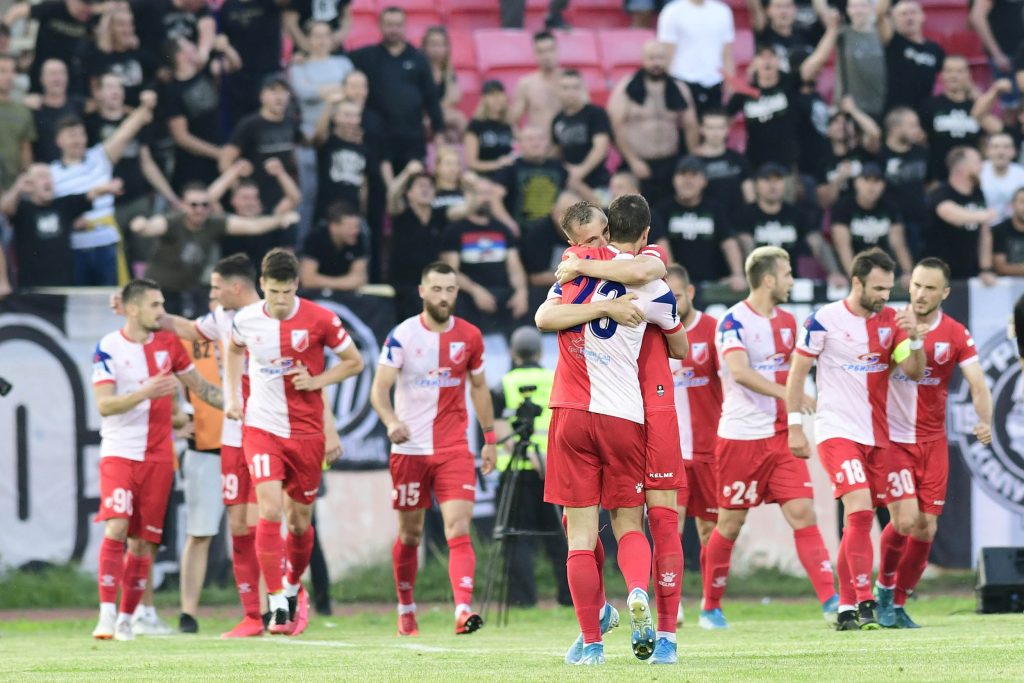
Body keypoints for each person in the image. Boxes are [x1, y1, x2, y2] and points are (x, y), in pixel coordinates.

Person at [540, 194, 688, 666]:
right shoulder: (644, 279)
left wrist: (585, 275)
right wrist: (612, 309)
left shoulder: (571, 272)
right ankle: (639, 594)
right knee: (632, 522)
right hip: (626, 415)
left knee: (579, 534)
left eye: (604, 234)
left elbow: (545, 318)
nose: (600, 243)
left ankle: (594, 644)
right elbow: (680, 344)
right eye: (591, 239)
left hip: (569, 413)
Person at [786, 247, 927, 631]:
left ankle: (847, 605)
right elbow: (797, 373)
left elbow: (914, 371)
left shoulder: (892, 322)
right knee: (861, 511)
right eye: (878, 288)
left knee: (866, 520)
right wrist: (795, 425)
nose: (885, 295)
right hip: (836, 430)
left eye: (888, 288)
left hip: (878, 436)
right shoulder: (823, 320)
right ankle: (865, 601)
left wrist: (914, 340)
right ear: (857, 282)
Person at [224, 249, 363, 635]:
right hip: (261, 428)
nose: (280, 300)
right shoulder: (246, 319)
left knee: (300, 523)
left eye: (287, 291)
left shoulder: (320, 318)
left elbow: (354, 361)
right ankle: (277, 600)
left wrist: (318, 381)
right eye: (273, 292)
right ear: (261, 287)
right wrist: (233, 396)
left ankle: (291, 586)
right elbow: (233, 350)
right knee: (269, 510)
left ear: (296, 286)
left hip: (306, 433)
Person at [700, 246, 837, 630]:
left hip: (779, 437)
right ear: (768, 279)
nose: (793, 280)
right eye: (788, 273)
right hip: (741, 438)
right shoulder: (732, 322)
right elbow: (740, 373)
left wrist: (793, 420)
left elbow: (794, 373)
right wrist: (789, 395)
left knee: (802, 513)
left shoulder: (790, 322)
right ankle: (710, 608)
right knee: (729, 525)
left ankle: (832, 602)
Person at [90, 278, 224, 641]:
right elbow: (104, 405)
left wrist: (242, 406)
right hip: (120, 452)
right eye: (155, 305)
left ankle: (128, 619)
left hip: (160, 457)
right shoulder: (108, 348)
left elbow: (203, 389)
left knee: (144, 542)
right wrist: (145, 392)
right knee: (116, 526)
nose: (161, 312)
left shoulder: (169, 344)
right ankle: (106, 615)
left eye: (163, 303)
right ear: (132, 309)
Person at [369, 261, 497, 636]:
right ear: (423, 291)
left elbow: (479, 388)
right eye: (437, 289)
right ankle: (406, 607)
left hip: (454, 448)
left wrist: (489, 439)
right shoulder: (402, 336)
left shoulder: (471, 336)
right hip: (409, 451)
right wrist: (392, 422)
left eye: (451, 290)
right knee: (410, 534)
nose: (444, 297)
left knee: (458, 527)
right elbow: (379, 390)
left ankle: (462, 609)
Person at [155, 253, 275, 639]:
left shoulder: (273, 317)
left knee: (269, 525)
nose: (211, 293)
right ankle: (253, 616)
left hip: (268, 433)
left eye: (215, 287)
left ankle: (285, 606)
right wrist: (141, 311)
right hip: (223, 439)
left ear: (235, 287)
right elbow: (187, 334)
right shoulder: (221, 321)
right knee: (235, 528)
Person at [876, 258, 992, 629]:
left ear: (944, 293)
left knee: (927, 527)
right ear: (908, 286)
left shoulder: (956, 332)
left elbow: (977, 382)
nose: (921, 294)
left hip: (931, 440)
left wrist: (984, 419)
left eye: (930, 288)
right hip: (893, 439)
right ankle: (882, 589)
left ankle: (897, 602)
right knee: (906, 520)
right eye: (917, 286)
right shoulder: (890, 323)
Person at [130, 181, 299, 316]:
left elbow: (253, 226)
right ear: (183, 205)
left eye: (204, 205)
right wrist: (141, 225)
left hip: (187, 290)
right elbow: (151, 227)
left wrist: (281, 219)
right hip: (158, 292)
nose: (199, 210)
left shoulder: (213, 223)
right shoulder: (173, 222)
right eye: (193, 205)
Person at [490, 326, 571, 608]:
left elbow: (500, 431)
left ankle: (522, 600)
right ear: (540, 352)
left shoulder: (502, 385)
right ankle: (570, 597)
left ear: (513, 354)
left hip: (516, 470)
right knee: (563, 536)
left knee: (517, 539)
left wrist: (525, 452)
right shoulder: (556, 380)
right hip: (553, 471)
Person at [51, 91, 156, 287]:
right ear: (59, 141)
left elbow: (125, 132)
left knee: (112, 301)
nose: (77, 140)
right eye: (71, 136)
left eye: (81, 134)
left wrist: (145, 106)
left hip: (106, 244)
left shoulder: (99, 157)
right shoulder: (51, 172)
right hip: (75, 247)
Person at [664, 265, 721, 626]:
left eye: (678, 296)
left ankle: (711, 605)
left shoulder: (713, 331)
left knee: (709, 531)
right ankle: (674, 604)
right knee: (670, 526)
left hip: (710, 449)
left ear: (692, 293)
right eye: (666, 297)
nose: (672, 303)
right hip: (670, 451)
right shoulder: (654, 333)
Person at [176, 314, 226, 635]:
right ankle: (188, 613)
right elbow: (166, 375)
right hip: (206, 447)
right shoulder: (188, 339)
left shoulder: (257, 332)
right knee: (199, 532)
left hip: (250, 444)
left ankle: (266, 611)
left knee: (257, 529)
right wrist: (178, 418)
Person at [349, 7, 444, 171]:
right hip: (378, 138)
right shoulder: (366, 57)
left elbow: (431, 99)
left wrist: (439, 132)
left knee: (413, 185)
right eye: (389, 25)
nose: (394, 30)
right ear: (380, 26)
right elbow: (336, 61)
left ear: (405, 26)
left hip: (412, 137)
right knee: (380, 189)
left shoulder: (418, 58)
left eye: (398, 25)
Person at [607, 41, 698, 207]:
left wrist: (693, 161)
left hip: (671, 164)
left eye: (661, 58)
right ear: (643, 60)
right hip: (637, 163)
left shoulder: (680, 88)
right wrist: (633, 160)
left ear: (668, 59)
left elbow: (691, 126)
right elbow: (614, 127)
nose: (656, 63)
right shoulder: (626, 88)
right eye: (651, 58)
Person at [0, 164, 119, 288]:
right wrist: (17, 188)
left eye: (49, 176)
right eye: (41, 176)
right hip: (32, 289)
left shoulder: (63, 204)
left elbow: (90, 194)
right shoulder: (21, 208)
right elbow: (4, 209)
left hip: (64, 287)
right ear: (29, 183)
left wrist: (109, 188)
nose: (47, 180)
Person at [440, 181, 530, 335]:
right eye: (480, 194)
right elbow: (450, 272)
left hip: (502, 293)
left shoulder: (503, 230)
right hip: (469, 295)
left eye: (489, 193)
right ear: (468, 198)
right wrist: (475, 291)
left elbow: (515, 268)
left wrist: (521, 292)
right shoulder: (454, 230)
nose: (486, 198)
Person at [735, 163, 845, 285]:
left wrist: (834, 273)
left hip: (789, 282)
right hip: (757, 282)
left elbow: (817, 243)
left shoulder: (796, 214)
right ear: (756, 184)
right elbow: (746, 244)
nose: (773, 185)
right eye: (767, 180)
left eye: (778, 180)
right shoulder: (745, 214)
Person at [651, 155, 744, 290]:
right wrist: (670, 277)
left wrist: (738, 274)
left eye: (694, 175)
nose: (688, 180)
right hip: (676, 286)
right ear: (674, 179)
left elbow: (728, 242)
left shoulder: (716, 209)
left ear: (704, 181)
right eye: (683, 174)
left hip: (712, 284)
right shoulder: (661, 210)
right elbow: (661, 245)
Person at [387, 161, 464, 320]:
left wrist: (471, 189)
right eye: (420, 186)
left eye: (429, 186)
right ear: (408, 193)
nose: (425, 189)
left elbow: (467, 209)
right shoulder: (401, 213)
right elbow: (392, 194)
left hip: (431, 288)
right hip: (403, 286)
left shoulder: (440, 215)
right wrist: (407, 173)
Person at [219, 74, 301, 219]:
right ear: (262, 96)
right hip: (254, 201)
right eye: (273, 91)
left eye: (283, 91)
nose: (279, 96)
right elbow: (225, 160)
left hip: (282, 200)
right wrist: (239, 192)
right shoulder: (249, 124)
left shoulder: (291, 122)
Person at [165, 37, 237, 193]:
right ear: (181, 56)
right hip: (195, 167)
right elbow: (181, 137)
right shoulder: (172, 92)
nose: (195, 47)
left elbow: (235, 64)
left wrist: (226, 48)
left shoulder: (205, 72)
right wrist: (218, 153)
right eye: (190, 46)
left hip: (221, 156)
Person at [919, 57, 1003, 181]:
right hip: (938, 178)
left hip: (971, 178)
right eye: (949, 71)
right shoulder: (929, 105)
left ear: (968, 75)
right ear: (941, 75)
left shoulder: (977, 108)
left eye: (959, 71)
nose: (954, 76)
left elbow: (987, 139)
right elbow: (922, 144)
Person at [830, 163, 913, 286]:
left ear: (883, 185)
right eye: (866, 180)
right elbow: (843, 247)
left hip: (882, 267)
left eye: (876, 181)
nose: (871, 186)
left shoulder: (890, 207)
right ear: (857, 183)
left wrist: (908, 272)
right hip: (849, 270)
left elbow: (898, 243)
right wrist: (856, 278)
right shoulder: (843, 207)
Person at [925, 146, 999, 282]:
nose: (982, 167)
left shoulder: (978, 193)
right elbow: (951, 215)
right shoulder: (941, 192)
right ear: (962, 168)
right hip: (941, 273)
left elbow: (985, 234)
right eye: (977, 162)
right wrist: (984, 215)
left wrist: (986, 269)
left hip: (971, 270)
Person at [656, 0, 735, 117]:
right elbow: (666, 54)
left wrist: (731, 85)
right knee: (687, 130)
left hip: (715, 81)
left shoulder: (723, 11)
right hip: (683, 81)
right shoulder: (672, 11)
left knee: (715, 131)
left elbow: (727, 54)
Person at [219, 0, 284, 126]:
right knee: (243, 123)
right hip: (239, 76)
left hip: (267, 72)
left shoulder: (269, 3)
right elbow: (223, 38)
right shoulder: (227, 7)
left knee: (269, 121)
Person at [551, 70, 612, 204]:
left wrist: (579, 172)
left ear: (582, 89)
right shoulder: (557, 120)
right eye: (565, 88)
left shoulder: (596, 113)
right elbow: (557, 153)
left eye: (575, 87)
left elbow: (601, 149)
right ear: (558, 91)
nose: (570, 92)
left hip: (597, 182)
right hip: (570, 185)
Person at [876, 0, 945, 115]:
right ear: (893, 20)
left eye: (913, 12)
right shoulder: (892, 42)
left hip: (924, 112)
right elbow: (879, 14)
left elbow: (954, 73)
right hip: (896, 112)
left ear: (922, 16)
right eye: (903, 14)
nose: (909, 18)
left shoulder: (934, 49)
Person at [82, 5, 157, 107]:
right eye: (121, 25)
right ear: (110, 28)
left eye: (130, 25)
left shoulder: (138, 52)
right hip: (114, 114)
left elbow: (155, 76)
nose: (127, 30)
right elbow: (96, 94)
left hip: (140, 112)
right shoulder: (98, 56)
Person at [879, 107, 929, 257]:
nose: (917, 130)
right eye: (912, 125)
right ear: (895, 128)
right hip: (890, 223)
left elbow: (930, 183)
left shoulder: (922, 151)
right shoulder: (880, 154)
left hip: (919, 220)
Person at [497, 125, 568, 225]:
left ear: (549, 143)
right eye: (530, 140)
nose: (536, 144)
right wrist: (510, 225)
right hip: (521, 233)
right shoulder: (510, 168)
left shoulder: (559, 168)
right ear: (520, 144)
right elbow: (494, 198)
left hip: (554, 232)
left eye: (541, 139)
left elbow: (571, 197)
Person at [299, 201, 369, 292]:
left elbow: (359, 279)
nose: (355, 231)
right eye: (350, 227)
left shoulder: (359, 239)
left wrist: (320, 280)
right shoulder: (315, 239)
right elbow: (308, 280)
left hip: (347, 295)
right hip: (317, 295)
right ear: (334, 227)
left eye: (357, 227)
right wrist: (347, 283)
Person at [834, 0, 886, 121]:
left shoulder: (881, 34)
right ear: (848, 10)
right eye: (854, 6)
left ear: (871, 9)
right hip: (848, 109)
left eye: (862, 5)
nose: (858, 10)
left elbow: (883, 12)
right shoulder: (842, 33)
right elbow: (823, 13)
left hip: (878, 107)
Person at [696, 109, 754, 212]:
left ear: (728, 129)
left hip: (735, 223)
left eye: (720, 127)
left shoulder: (739, 160)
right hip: (705, 222)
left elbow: (750, 197)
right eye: (710, 128)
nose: (715, 133)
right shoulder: (693, 162)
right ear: (701, 129)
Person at [27, 58, 84, 163]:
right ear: (41, 78)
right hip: (46, 174)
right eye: (52, 74)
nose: (58, 78)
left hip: (76, 171)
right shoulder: (33, 108)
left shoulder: (79, 105)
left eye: (62, 73)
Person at [509, 31, 562, 138]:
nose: (546, 56)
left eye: (550, 50)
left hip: (567, 147)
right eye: (541, 52)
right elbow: (511, 121)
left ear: (557, 51)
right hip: (540, 148)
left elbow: (586, 115)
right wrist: (524, 140)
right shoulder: (526, 84)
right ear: (534, 54)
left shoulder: (571, 82)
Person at [970, 0, 1024, 103]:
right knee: (1010, 105)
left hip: (1019, 54)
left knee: (1019, 104)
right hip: (1005, 56)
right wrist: (997, 54)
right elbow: (977, 16)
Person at [747, 0, 816, 77]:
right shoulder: (763, 32)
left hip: (800, 84)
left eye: (788, 6)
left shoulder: (807, 32)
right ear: (768, 10)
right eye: (778, 6)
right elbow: (756, 11)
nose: (783, 11)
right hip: (773, 85)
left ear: (795, 9)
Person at [422, 26, 465, 141]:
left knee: (459, 120)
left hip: (440, 113)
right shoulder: (419, 70)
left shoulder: (448, 72)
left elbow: (454, 98)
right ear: (425, 47)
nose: (437, 49)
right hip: (421, 115)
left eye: (441, 45)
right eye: (433, 45)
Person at [465, 80, 516, 178]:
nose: (497, 99)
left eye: (500, 94)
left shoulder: (508, 124)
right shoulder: (476, 125)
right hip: (483, 177)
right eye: (492, 95)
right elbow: (472, 162)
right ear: (484, 99)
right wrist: (497, 164)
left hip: (506, 176)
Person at [0, 53, 34, 192]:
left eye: (12, 71)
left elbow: (25, 150)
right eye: (2, 71)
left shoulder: (23, 111)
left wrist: (26, 181)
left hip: (13, 188)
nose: (9, 76)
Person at [980, 133, 1024, 222]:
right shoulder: (978, 171)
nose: (1001, 152)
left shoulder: (1021, 174)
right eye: (995, 147)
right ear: (987, 151)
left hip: (1013, 228)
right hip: (982, 224)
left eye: (1006, 147)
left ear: (1014, 151)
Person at [989, 188, 1024, 275]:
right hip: (1005, 286)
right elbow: (1000, 268)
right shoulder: (999, 230)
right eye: (1022, 201)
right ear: (1012, 205)